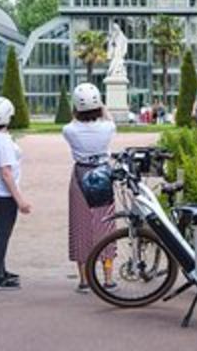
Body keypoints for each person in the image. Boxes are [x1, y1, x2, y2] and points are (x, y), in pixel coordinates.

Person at [62, 83, 117, 293]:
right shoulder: (107, 128)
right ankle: (108, 277)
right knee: (106, 227)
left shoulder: (69, 130)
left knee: (80, 227)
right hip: (103, 174)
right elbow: (109, 119)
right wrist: (102, 106)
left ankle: (84, 280)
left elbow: (73, 122)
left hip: (80, 176)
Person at [0, 97, 32, 291]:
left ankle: (0, 270)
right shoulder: (2, 141)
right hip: (3, 193)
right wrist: (20, 200)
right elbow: (6, 173)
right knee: (3, 234)